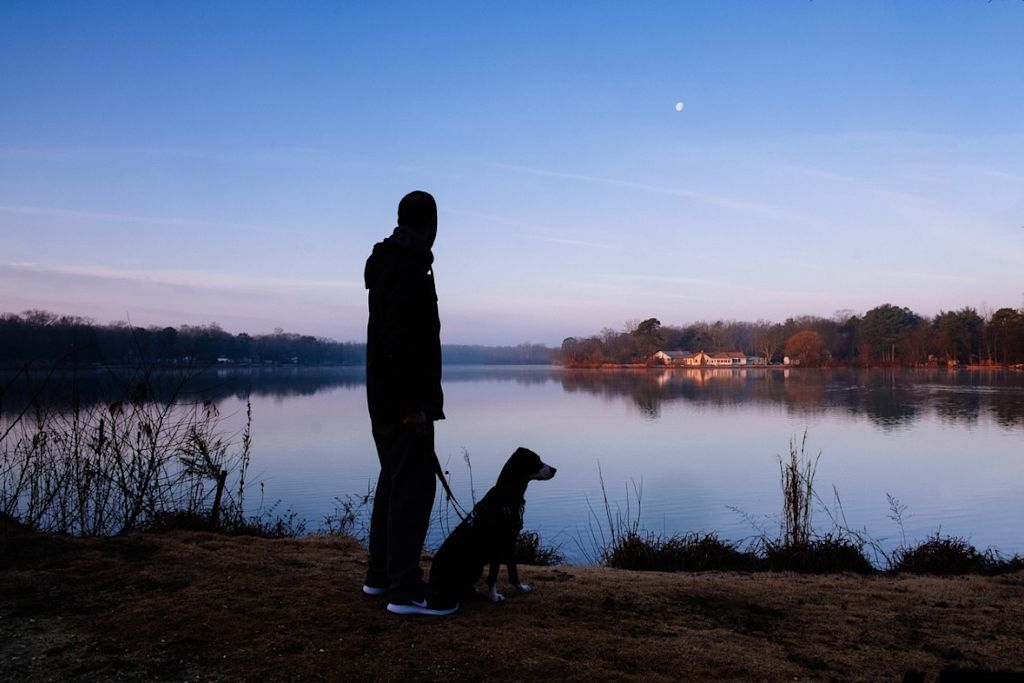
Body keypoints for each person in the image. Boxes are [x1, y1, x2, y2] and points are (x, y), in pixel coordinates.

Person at [362, 190, 457, 616]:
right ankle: (405, 591)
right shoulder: (407, 267)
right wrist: (412, 404)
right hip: (402, 403)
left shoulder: (393, 263)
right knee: (413, 489)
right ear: (430, 223)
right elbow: (400, 343)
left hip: (386, 399)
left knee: (394, 482)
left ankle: (380, 576)